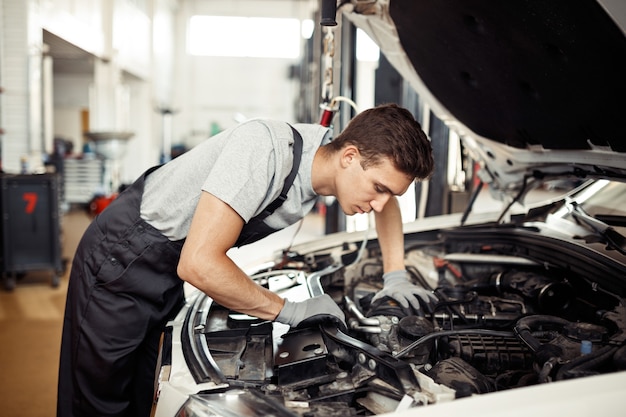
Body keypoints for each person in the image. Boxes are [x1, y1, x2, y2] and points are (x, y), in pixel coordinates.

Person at [57, 103, 436, 417]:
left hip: (162, 270)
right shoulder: (267, 152)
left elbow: (386, 203)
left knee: (137, 395)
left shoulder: (329, 160)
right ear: (350, 156)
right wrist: (287, 310)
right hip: (122, 259)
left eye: (391, 193)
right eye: (379, 189)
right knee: (96, 400)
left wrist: (396, 273)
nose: (380, 204)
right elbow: (199, 264)